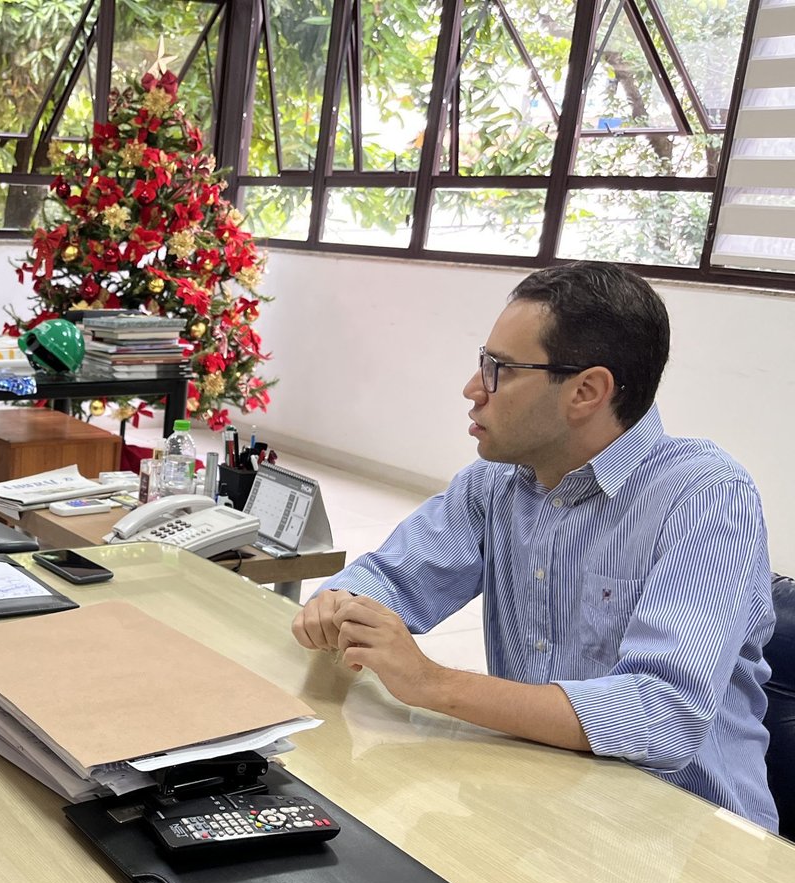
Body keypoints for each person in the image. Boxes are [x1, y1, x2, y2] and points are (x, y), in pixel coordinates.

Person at [292, 261, 776, 831]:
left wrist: (433, 683)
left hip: (685, 835)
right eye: (482, 363)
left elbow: (663, 715)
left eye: (499, 370)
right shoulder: (497, 483)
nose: (473, 390)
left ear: (586, 391)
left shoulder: (707, 497)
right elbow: (392, 580)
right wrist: (343, 603)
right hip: (540, 794)